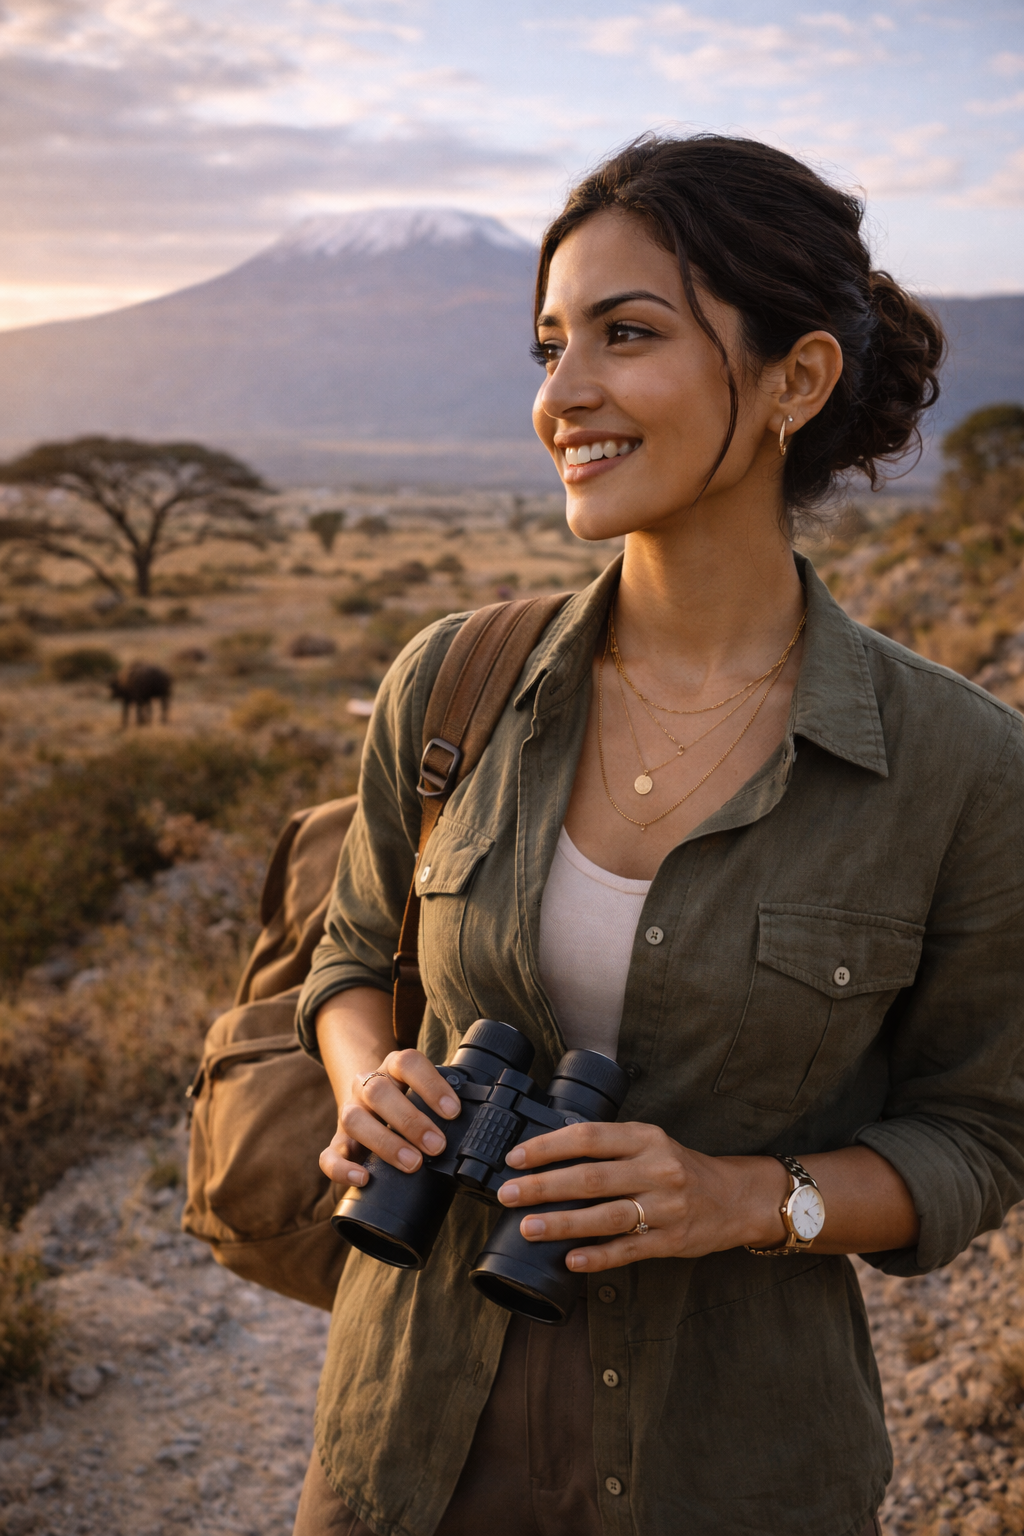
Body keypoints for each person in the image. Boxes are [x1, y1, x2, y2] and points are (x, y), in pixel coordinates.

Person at [291, 135, 1024, 1536]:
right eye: (548, 345)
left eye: (626, 337)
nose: (564, 397)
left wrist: (740, 1199)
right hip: (400, 1446)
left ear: (796, 382)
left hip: (735, 1468)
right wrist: (364, 1081)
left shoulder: (962, 770)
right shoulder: (452, 686)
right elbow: (347, 958)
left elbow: (980, 1140)